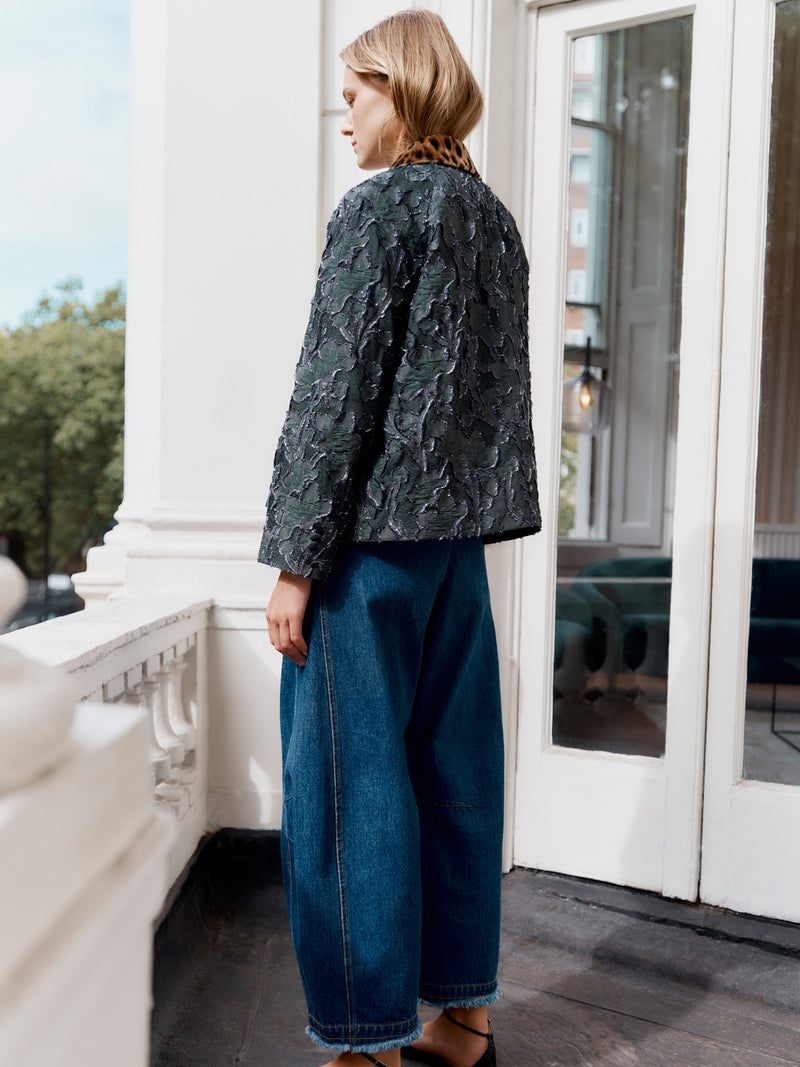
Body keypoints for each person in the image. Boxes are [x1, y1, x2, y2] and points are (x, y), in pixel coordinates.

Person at [259, 10, 540, 1067]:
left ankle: (362, 1042)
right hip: (455, 551)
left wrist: (296, 560)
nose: (345, 121)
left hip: (367, 552)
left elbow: (333, 395)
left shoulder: (378, 210)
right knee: (452, 772)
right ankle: (462, 1018)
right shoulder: (495, 220)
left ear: (404, 90)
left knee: (346, 790)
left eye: (355, 96)